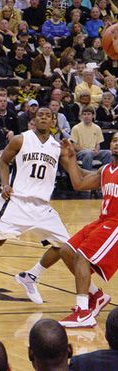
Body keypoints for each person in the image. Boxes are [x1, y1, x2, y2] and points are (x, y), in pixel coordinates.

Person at [0, 108, 73, 309]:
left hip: (42, 206)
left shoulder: (57, 146)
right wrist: (4, 183)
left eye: (48, 115)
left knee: (65, 246)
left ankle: (31, 276)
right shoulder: (21, 139)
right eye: (40, 115)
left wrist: (73, 154)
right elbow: (3, 161)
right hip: (17, 201)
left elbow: (75, 173)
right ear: (33, 120)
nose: (44, 117)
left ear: (54, 121)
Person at [58, 133, 117, 328]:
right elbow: (80, 183)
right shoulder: (106, 169)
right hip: (104, 220)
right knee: (67, 251)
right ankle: (97, 296)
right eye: (115, 139)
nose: (117, 143)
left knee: (82, 256)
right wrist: (70, 158)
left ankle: (83, 312)